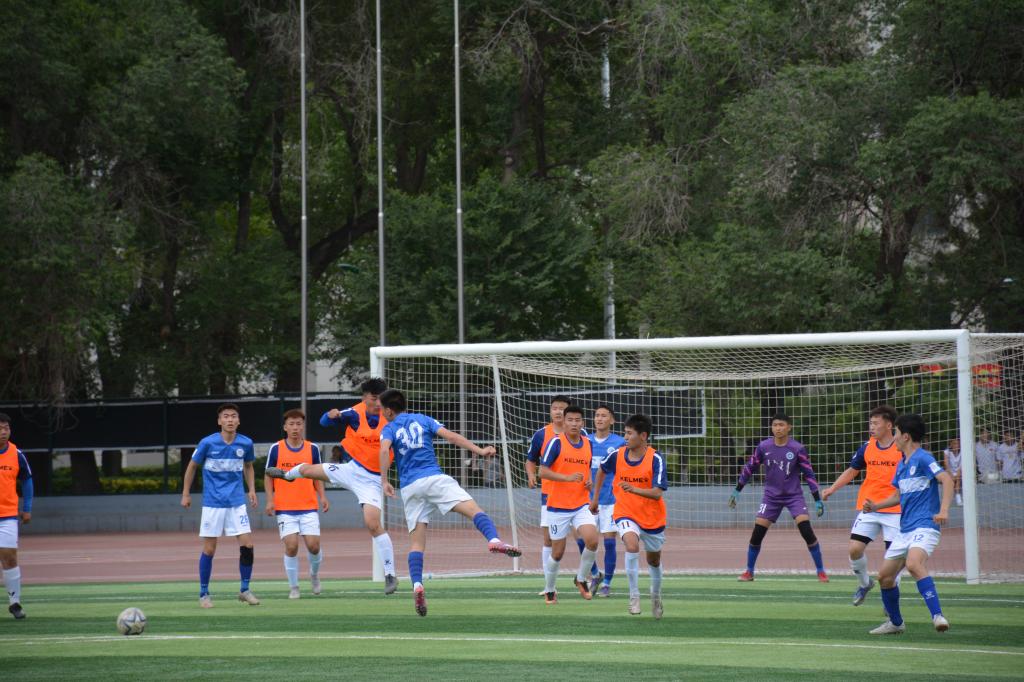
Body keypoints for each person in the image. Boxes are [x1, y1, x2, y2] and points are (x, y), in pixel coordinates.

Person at [376, 388, 520, 617]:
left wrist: (384, 480)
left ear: (389, 411)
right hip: (434, 479)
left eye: (381, 410)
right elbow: (452, 437)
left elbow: (384, 451)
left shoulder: (389, 428)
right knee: (473, 511)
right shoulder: (423, 419)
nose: (381, 414)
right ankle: (493, 540)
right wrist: (480, 450)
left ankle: (417, 584)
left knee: (416, 543)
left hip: (411, 488)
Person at [267, 377, 399, 595]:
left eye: (381, 399)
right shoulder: (354, 414)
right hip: (352, 469)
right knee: (308, 470)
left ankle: (390, 575)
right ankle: (287, 475)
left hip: (374, 479)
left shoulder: (392, 417)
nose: (378, 404)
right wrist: (330, 416)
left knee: (372, 523)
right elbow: (324, 422)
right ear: (364, 398)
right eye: (374, 398)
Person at [864, 413, 954, 634]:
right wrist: (876, 506)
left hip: (925, 526)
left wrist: (943, 510)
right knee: (884, 578)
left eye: (895, 432)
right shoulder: (901, 465)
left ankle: (938, 616)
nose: (893, 437)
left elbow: (946, 479)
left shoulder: (924, 458)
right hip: (904, 530)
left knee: (914, 564)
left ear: (905, 436)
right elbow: (897, 496)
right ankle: (896, 623)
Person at [728, 413, 827, 582]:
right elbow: (750, 467)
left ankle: (821, 571)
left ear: (789, 427)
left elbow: (808, 474)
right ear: (771, 428)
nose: (778, 428)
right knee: (757, 534)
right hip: (771, 497)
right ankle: (749, 572)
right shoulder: (763, 446)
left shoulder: (797, 448)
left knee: (806, 531)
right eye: (775, 425)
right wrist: (737, 489)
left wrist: (817, 499)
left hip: (794, 496)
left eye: (781, 425)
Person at [821, 405, 902, 607]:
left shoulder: (902, 448)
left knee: (893, 557)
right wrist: (832, 488)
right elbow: (852, 470)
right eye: (870, 423)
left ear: (889, 425)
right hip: (869, 507)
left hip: (895, 509)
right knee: (855, 549)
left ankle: (890, 601)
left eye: (875, 423)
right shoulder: (867, 447)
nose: (871, 427)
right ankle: (865, 583)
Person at [180, 403, 259, 608]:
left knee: (248, 546)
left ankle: (245, 590)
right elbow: (192, 466)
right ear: (219, 421)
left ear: (238, 421)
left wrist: (251, 489)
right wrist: (186, 493)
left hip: (236, 502)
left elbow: (248, 466)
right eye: (226, 416)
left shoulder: (246, 443)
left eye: (233, 416)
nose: (230, 419)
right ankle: (204, 594)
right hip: (212, 504)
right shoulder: (207, 443)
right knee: (209, 549)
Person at [590, 414, 668, 618]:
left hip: (652, 517)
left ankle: (656, 595)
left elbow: (657, 492)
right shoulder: (617, 454)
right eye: (625, 433)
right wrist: (595, 499)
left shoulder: (656, 458)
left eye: (629, 433)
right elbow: (601, 470)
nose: (625, 437)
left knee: (654, 560)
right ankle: (634, 596)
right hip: (625, 512)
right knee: (631, 546)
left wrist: (634, 489)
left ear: (643, 436)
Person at [264, 409, 329, 599]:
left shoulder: (312, 448)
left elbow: (318, 475)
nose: (295, 427)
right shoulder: (276, 448)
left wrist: (323, 497)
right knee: (291, 547)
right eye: (291, 424)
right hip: (285, 507)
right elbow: (268, 475)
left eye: (298, 424)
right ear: (285, 427)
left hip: (308, 506)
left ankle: (314, 575)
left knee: (314, 546)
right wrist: (270, 500)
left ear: (303, 426)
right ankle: (294, 587)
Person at [539, 404, 600, 604]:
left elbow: (587, 469)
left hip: (581, 504)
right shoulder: (556, 443)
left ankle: (581, 579)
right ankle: (549, 589)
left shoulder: (588, 443)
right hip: (557, 506)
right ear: (563, 422)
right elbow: (542, 471)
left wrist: (589, 482)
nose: (574, 423)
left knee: (592, 540)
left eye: (577, 420)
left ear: (583, 423)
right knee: (557, 553)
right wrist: (566, 478)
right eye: (570, 420)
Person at [524, 394, 571, 591]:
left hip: (577, 495)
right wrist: (531, 475)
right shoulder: (541, 434)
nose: (558, 411)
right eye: (555, 408)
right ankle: (549, 585)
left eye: (562, 408)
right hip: (550, 495)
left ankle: (589, 575)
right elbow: (531, 460)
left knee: (585, 537)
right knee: (548, 539)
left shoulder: (581, 434)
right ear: (550, 411)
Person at [586, 405, 627, 597]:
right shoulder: (585, 442)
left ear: (612, 420)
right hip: (587, 500)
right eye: (597, 415)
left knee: (609, 542)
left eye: (604, 416)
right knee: (584, 540)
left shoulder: (620, 443)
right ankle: (595, 574)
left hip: (611, 500)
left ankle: (607, 584)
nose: (600, 418)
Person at [0, 413, 32, 620]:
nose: (3, 432)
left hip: (7, 515)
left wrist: (27, 508)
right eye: (0, 428)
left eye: (6, 428)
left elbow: (27, 480)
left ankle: (15, 602)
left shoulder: (16, 454)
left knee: (10, 556)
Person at [942, 438, 963, 505]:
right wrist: (951, 475)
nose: (957, 445)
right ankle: (950, 497)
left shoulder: (963, 451)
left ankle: (958, 497)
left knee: (958, 479)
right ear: (950, 444)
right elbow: (946, 465)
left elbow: (962, 466)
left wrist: (957, 474)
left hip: (960, 472)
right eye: (954, 443)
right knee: (950, 479)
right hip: (949, 472)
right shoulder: (946, 452)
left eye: (958, 444)